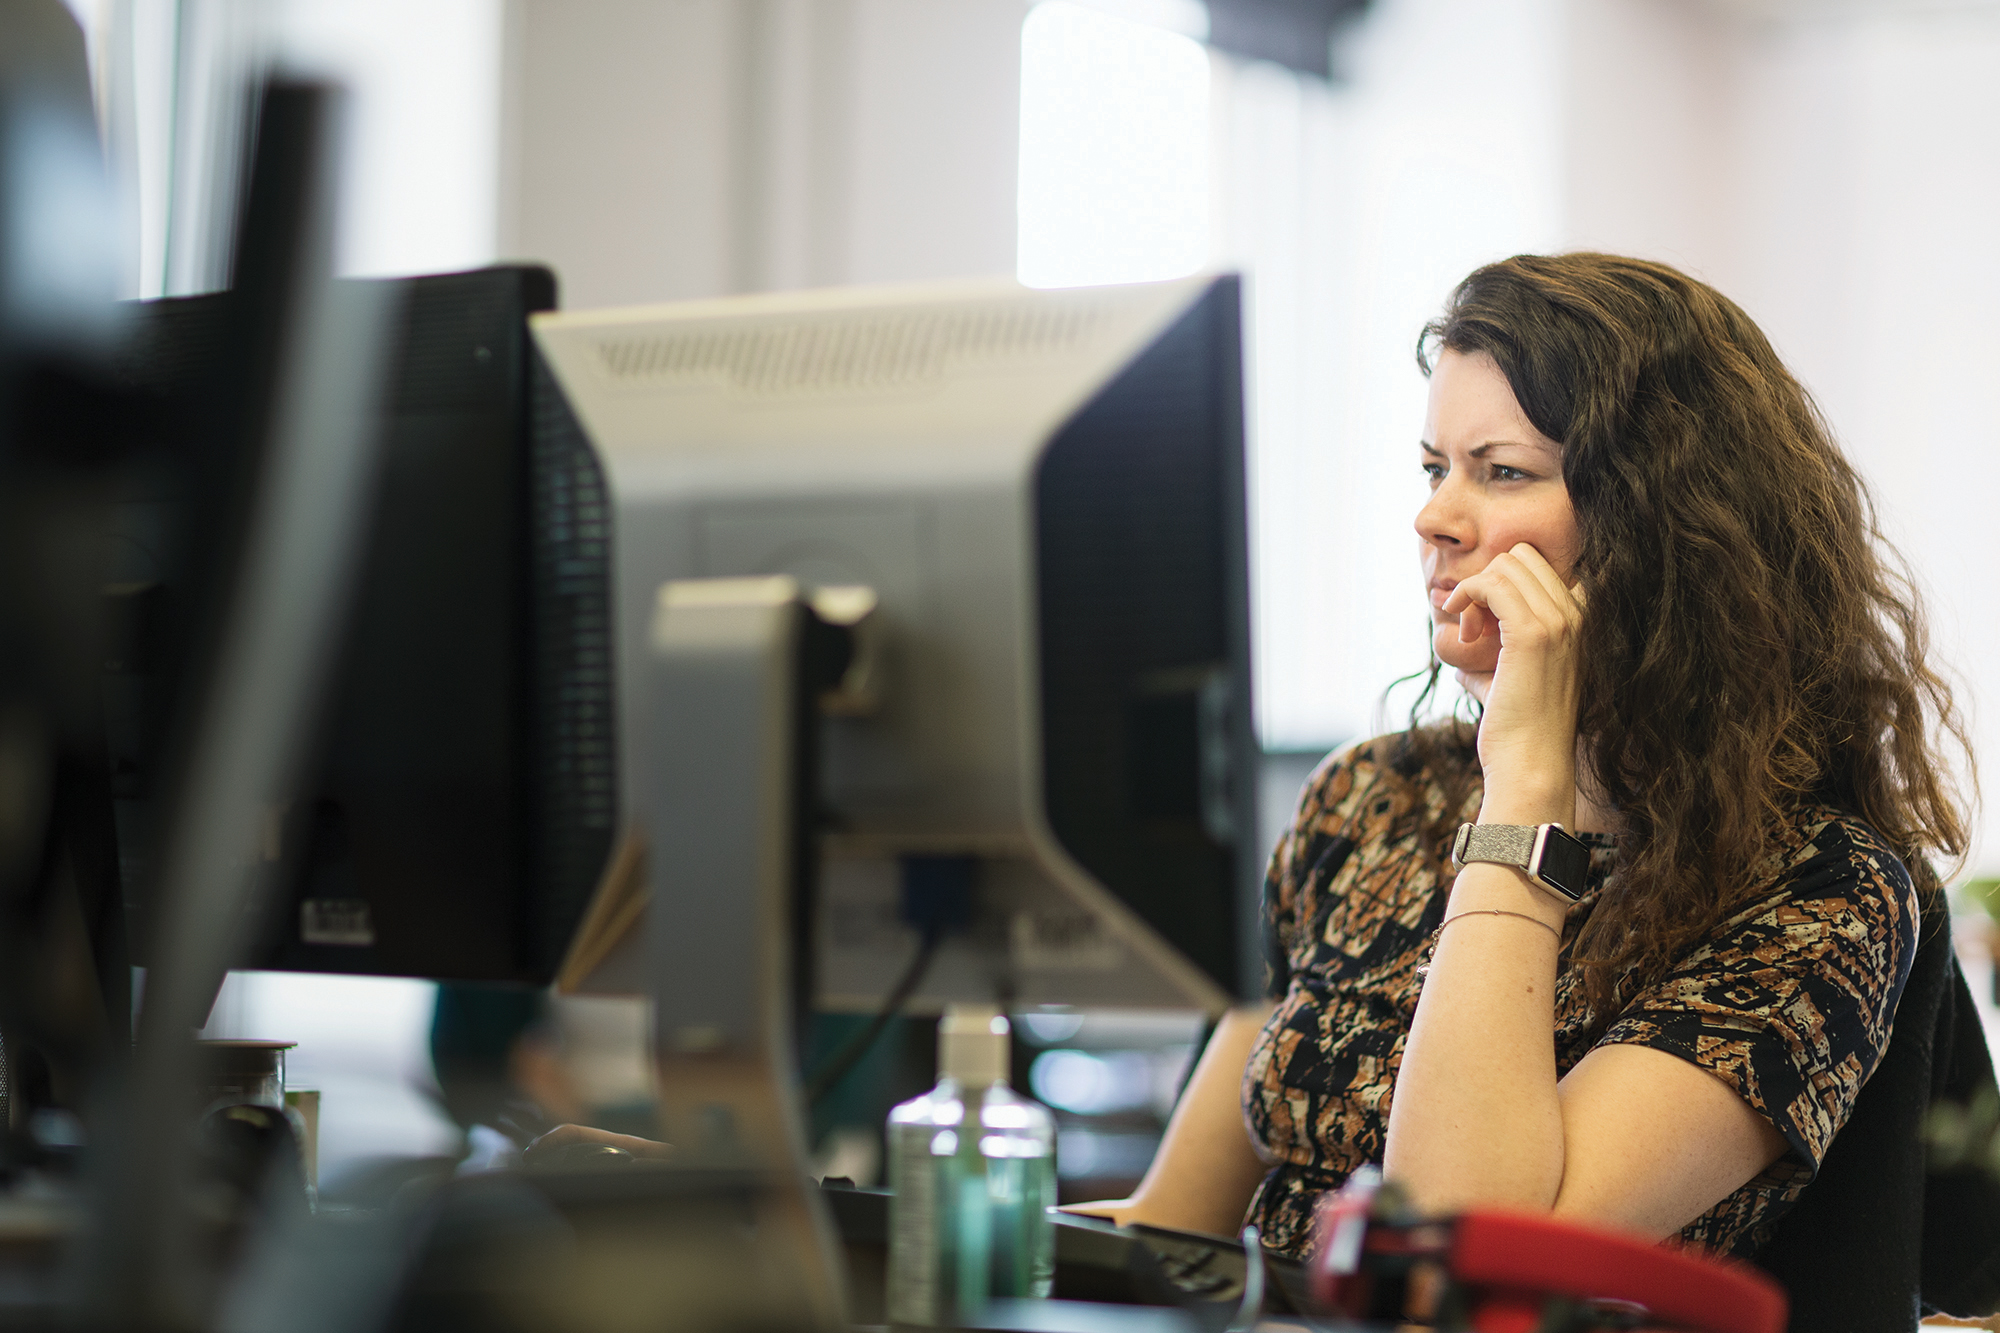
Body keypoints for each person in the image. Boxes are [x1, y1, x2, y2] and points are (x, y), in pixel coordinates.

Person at [1072, 252, 1974, 1269]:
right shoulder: (1369, 798)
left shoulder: (1816, 893)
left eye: (1499, 471)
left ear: (1664, 525)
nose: (1433, 518)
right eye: (1432, 467)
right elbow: (1172, 1230)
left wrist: (1526, 794)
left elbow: (1468, 1254)